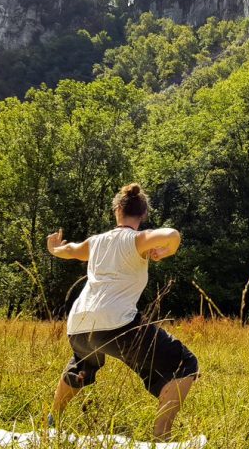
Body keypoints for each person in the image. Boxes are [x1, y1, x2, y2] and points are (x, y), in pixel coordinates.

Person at [46, 183, 198, 441]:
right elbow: (172, 233)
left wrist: (53, 248)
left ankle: (50, 421)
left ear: (117, 210)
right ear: (143, 215)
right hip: (117, 323)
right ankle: (162, 438)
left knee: (82, 364)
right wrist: (165, 251)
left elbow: (68, 250)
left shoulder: (95, 242)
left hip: (79, 323)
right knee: (185, 364)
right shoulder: (137, 239)